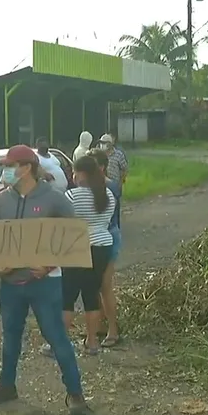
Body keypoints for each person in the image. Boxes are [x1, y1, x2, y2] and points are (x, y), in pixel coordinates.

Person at [0, 144, 89, 415]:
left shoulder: (54, 199)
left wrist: (50, 263)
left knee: (56, 337)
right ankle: (7, 386)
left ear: (26, 168)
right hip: (10, 284)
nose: (5, 172)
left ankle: (76, 394)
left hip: (45, 283)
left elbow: (74, 236)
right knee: (10, 337)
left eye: (9, 166)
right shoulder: (1, 201)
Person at [55, 156, 115, 355]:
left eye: (75, 172)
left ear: (82, 174)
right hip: (102, 246)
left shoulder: (71, 196)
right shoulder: (108, 195)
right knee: (91, 294)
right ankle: (92, 342)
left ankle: (59, 342)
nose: (73, 176)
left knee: (68, 296)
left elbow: (62, 221)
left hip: (77, 246)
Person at [86, 148, 122, 347]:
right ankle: (98, 325)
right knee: (93, 285)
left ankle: (113, 330)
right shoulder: (91, 186)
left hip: (108, 236)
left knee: (105, 286)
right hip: (95, 237)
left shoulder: (109, 187)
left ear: (101, 167)